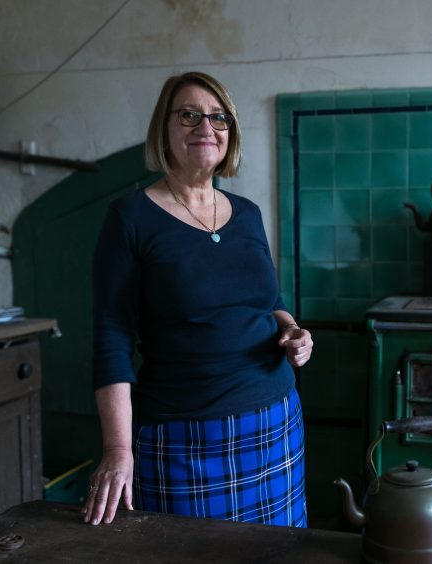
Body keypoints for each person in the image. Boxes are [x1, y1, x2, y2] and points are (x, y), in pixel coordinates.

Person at [82, 71, 313, 528]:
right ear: (164, 130)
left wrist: (291, 329)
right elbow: (111, 338)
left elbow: (269, 302)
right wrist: (117, 450)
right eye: (189, 115)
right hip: (184, 435)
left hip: (275, 420)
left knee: (281, 552)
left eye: (218, 117)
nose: (205, 127)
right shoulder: (131, 217)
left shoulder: (247, 213)